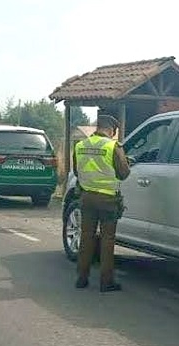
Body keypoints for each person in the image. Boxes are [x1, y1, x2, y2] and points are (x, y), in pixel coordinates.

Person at [72, 114, 131, 292]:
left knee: (86, 237)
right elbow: (123, 173)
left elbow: (76, 171)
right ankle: (106, 282)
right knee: (107, 240)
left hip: (86, 197)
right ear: (111, 130)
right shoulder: (113, 146)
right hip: (107, 200)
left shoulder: (80, 145)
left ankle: (81, 278)